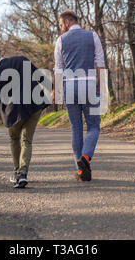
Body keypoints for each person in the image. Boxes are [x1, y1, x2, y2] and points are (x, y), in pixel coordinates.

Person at [0, 51, 49, 188]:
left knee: (14, 139)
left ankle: (18, 173)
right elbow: (41, 77)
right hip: (35, 107)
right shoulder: (22, 59)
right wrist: (53, 91)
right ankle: (23, 174)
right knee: (27, 141)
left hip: (14, 113)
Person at [52, 10, 106, 181]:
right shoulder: (93, 36)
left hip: (69, 86)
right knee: (93, 126)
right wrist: (102, 86)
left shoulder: (61, 40)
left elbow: (58, 68)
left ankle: (81, 170)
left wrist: (56, 90)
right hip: (89, 84)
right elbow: (101, 63)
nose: (61, 28)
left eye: (61, 25)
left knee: (76, 128)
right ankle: (86, 157)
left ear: (68, 22)